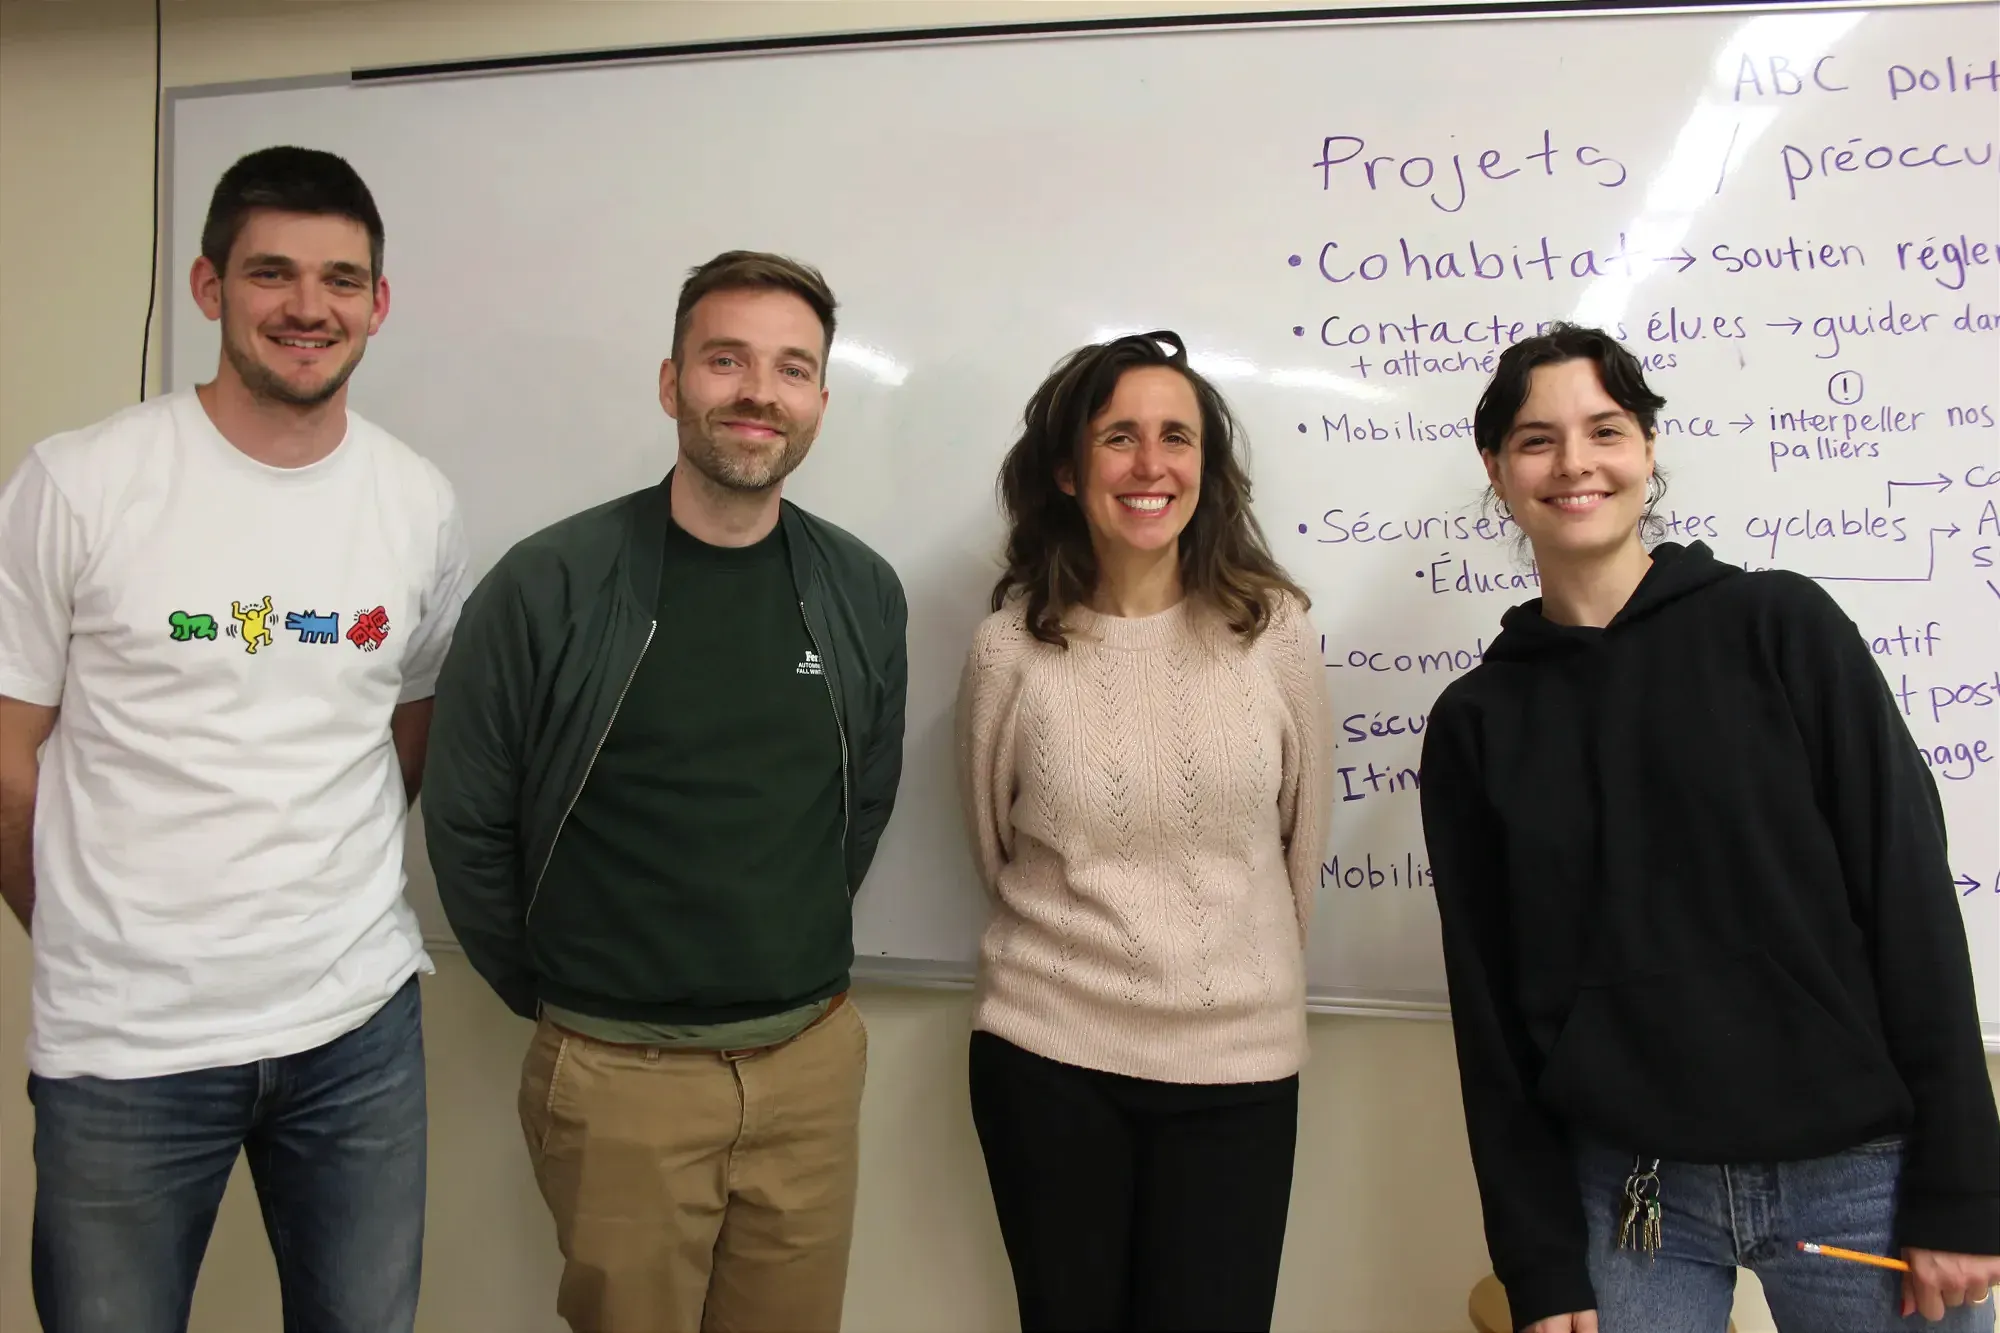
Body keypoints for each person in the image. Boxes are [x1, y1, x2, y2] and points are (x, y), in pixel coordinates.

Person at [1419, 322, 2000, 1333]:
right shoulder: (1477, 722)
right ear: (1496, 469)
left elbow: (1908, 894)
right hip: (1632, 1196)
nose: (1574, 463)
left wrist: (1962, 1187)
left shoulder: (1781, 628)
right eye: (1536, 440)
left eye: (1604, 429)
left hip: (1859, 1178)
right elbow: (1491, 1016)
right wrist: (1538, 1262)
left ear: (1646, 448)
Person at [0, 145, 466, 1333]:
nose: (308, 306)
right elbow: (6, 753)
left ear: (378, 302)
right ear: (209, 286)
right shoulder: (81, 483)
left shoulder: (417, 501)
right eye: (272, 273)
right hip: (126, 1045)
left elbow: (401, 734)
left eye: (340, 279)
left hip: (356, 1030)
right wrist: (81, 927)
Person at [423, 249, 908, 1333]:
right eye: (725, 359)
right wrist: (570, 1001)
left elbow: (860, 804)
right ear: (670, 381)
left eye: (791, 368)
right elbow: (465, 821)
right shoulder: (548, 583)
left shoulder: (861, 589)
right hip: (618, 1076)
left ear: (819, 400)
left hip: (809, 1069)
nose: (758, 391)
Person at [954, 329, 1333, 1332]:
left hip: (1239, 1065)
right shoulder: (1008, 650)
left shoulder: (1275, 632)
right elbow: (992, 846)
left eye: (1176, 437)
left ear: (1207, 468)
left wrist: (1227, 977)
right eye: (1117, 436)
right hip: (1048, 1058)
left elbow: (1300, 846)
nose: (1150, 464)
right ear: (1067, 470)